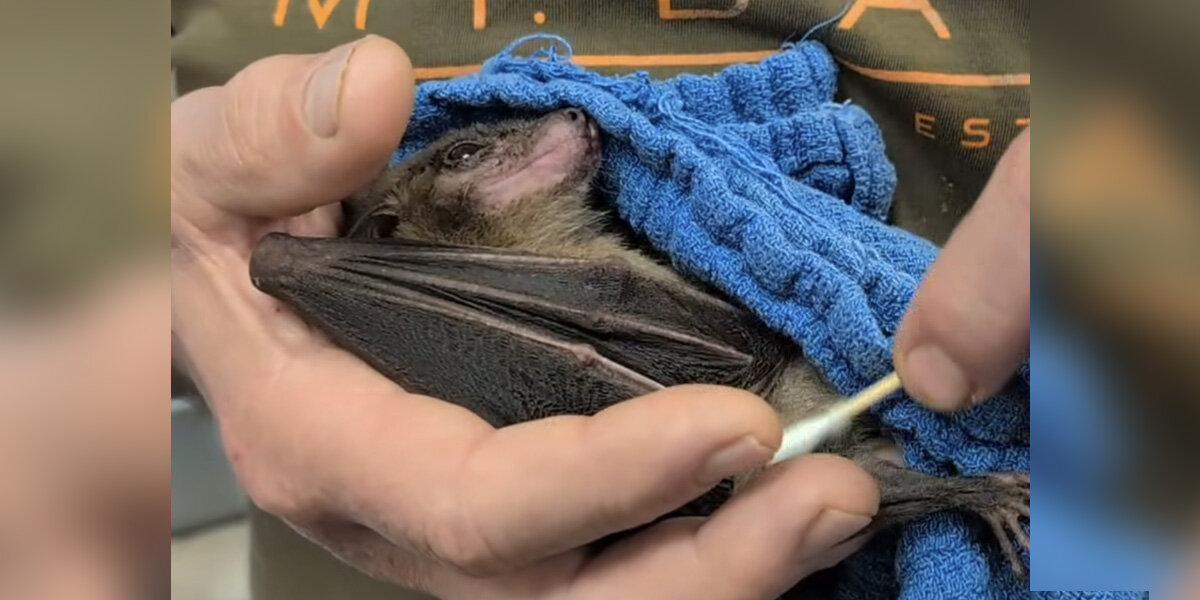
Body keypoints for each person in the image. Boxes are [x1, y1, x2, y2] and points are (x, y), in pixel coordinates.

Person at [170, 4, 1029, 598]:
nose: (561, 138)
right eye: (473, 158)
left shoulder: (568, 281)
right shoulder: (427, 277)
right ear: (405, 228)